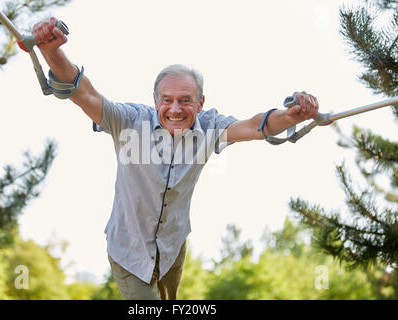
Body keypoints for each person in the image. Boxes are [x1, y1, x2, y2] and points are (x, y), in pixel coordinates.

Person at [32, 17, 319, 300]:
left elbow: (256, 126)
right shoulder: (129, 122)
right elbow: (84, 93)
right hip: (129, 250)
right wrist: (51, 50)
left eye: (185, 100)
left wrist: (291, 115)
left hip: (172, 248)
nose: (175, 109)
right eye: (166, 99)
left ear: (200, 103)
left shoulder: (209, 127)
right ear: (155, 100)